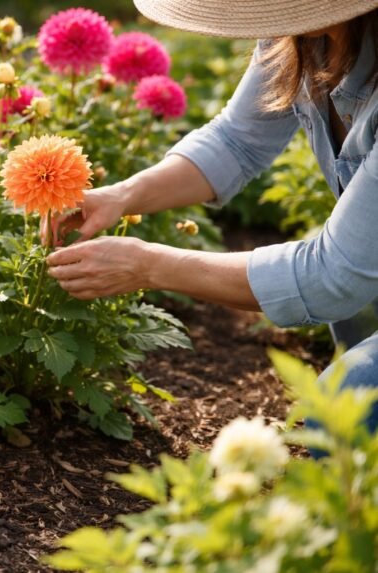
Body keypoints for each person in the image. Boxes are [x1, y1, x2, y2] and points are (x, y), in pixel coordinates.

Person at [45, 0, 378, 428]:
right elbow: (237, 142)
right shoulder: (306, 36)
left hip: (350, 281)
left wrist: (148, 265)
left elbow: (332, 278)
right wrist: (119, 196)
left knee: (341, 417)